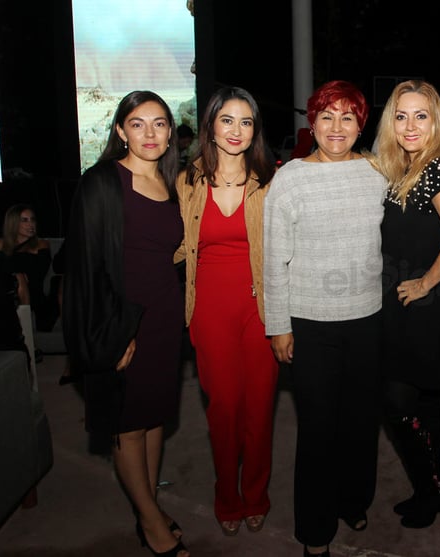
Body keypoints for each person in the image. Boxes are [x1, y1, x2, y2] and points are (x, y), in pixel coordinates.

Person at [263, 80, 388, 557]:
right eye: (327, 116)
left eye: (348, 117)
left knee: (360, 422)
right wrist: (279, 325)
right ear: (311, 122)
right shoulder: (291, 178)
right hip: (309, 321)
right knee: (317, 428)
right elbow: (274, 259)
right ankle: (315, 531)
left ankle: (353, 499)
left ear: (361, 124)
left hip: (367, 317)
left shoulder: (377, 171)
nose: (337, 127)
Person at [62, 90, 188, 557]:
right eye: (138, 124)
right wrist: (112, 333)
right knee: (127, 425)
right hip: (123, 323)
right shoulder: (101, 182)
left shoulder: (174, 182)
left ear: (171, 132)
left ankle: (147, 507)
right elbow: (84, 267)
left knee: (154, 419)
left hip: (165, 317)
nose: (150, 133)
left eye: (159, 123)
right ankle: (153, 523)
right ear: (119, 131)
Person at [176, 86, 279, 537]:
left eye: (246, 122)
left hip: (260, 309)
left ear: (254, 131)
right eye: (227, 120)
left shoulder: (270, 181)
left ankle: (256, 495)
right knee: (224, 409)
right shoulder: (186, 182)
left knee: (259, 409)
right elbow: (172, 245)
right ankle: (227, 496)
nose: (236, 131)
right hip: (209, 311)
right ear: (211, 126)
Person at [375, 80, 440, 530]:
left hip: (425, 304)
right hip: (400, 302)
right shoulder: (398, 167)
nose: (411, 125)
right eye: (401, 116)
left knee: (399, 401)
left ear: (435, 121)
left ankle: (432, 487)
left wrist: (425, 282)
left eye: (421, 116)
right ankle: (430, 491)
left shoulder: (435, 168)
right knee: (425, 400)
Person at [0, 204, 58, 331]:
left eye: (33, 220)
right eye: (24, 220)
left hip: (33, 292)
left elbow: (38, 272)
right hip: (6, 291)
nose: (31, 224)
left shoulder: (41, 245)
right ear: (13, 223)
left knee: (19, 279)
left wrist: (17, 274)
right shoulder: (1, 244)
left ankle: (27, 338)